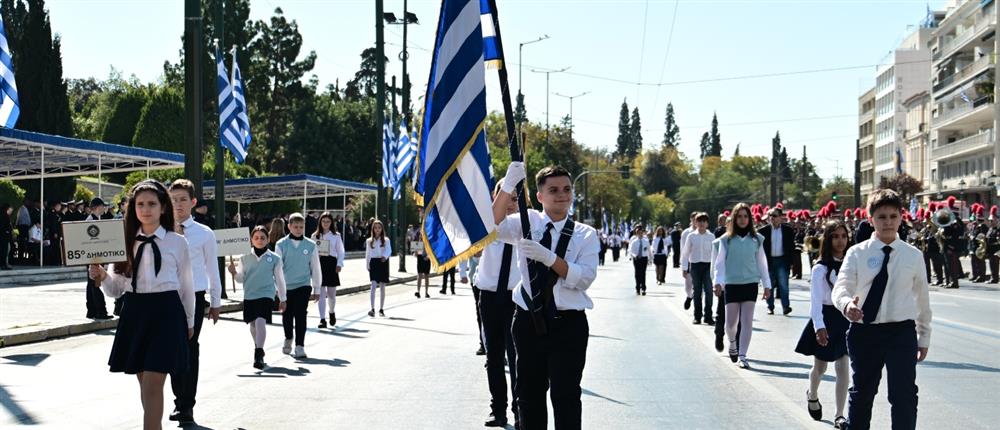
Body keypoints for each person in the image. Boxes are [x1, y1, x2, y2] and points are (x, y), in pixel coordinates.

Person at [492, 163, 599, 430]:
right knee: (529, 395)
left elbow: (584, 278)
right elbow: (489, 225)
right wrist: (507, 186)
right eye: (553, 190)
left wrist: (549, 258)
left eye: (566, 189)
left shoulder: (585, 234)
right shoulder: (527, 221)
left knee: (566, 396)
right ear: (540, 196)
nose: (562, 195)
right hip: (529, 322)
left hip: (568, 324)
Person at [88, 180, 195, 430]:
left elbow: (186, 286)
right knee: (144, 381)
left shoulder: (177, 242)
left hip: (167, 313)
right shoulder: (124, 242)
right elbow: (117, 289)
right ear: (132, 208)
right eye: (140, 204)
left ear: (163, 208)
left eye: (152, 204)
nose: (146, 209)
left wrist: (189, 321)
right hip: (135, 312)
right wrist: (103, 276)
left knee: (153, 382)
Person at [832, 188, 932, 430]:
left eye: (893, 216)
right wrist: (847, 306)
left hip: (901, 333)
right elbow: (840, 288)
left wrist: (924, 336)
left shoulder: (913, 255)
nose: (888, 222)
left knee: (904, 396)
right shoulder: (857, 253)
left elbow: (922, 299)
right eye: (882, 217)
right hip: (865, 331)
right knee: (862, 393)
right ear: (871, 220)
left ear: (901, 217)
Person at [166, 180, 223, 425]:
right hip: (167, 297)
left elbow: (213, 269)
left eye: (182, 199)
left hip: (195, 297)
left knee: (189, 349)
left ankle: (187, 405)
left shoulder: (203, 233)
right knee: (171, 351)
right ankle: (179, 400)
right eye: (173, 199)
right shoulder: (161, 230)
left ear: (193, 203)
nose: (177, 204)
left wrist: (216, 302)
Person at [794, 220, 852, 428]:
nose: (840, 241)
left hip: (845, 318)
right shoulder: (820, 268)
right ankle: (812, 394)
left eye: (843, 236)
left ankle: (839, 415)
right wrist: (819, 326)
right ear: (828, 239)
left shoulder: (851, 263)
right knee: (820, 368)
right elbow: (816, 301)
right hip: (826, 318)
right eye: (835, 236)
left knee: (843, 367)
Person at [477, 179, 521, 428]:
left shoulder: (527, 224)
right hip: (490, 296)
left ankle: (519, 409)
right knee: (494, 357)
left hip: (515, 299)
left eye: (515, 198)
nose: (510, 203)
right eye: (505, 197)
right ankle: (498, 410)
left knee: (517, 357)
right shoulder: (487, 223)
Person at [713, 202, 772, 369]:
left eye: (746, 216)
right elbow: (720, 264)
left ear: (750, 219)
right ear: (734, 218)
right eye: (739, 216)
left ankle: (743, 355)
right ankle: (732, 343)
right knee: (730, 323)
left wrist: (767, 285)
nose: (743, 219)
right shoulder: (726, 240)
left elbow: (762, 264)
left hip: (750, 284)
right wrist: (718, 282)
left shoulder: (757, 239)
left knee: (747, 322)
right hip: (731, 284)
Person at [228, 226, 287, 370]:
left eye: (262, 238)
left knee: (261, 321)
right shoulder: (244, 258)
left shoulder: (275, 258)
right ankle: (258, 346)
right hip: (250, 295)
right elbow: (241, 279)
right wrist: (234, 273)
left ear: (267, 239)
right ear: (251, 240)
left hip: (266, 294)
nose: (259, 240)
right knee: (253, 325)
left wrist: (283, 298)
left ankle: (258, 354)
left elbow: (280, 279)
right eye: (256, 238)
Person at [274, 213, 321, 359]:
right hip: (286, 286)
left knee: (301, 315)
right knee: (287, 315)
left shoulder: (311, 245)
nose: (299, 229)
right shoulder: (281, 244)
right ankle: (288, 337)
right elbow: (277, 268)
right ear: (289, 227)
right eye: (295, 227)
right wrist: (277, 288)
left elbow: (315, 267)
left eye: (301, 227)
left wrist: (317, 288)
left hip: (303, 285)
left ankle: (300, 346)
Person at [759, 207, 795, 315]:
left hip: (782, 261)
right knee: (769, 285)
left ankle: (786, 307)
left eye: (774, 216)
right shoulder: (763, 231)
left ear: (780, 217)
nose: (772, 218)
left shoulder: (788, 230)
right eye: (770, 216)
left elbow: (791, 247)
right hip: (768, 261)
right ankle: (770, 306)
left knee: (783, 285)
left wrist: (791, 262)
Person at [312, 212, 345, 328]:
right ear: (320, 222)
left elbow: (340, 251)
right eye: (323, 221)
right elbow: (312, 252)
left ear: (331, 223)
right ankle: (322, 319)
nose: (325, 223)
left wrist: (339, 264)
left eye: (328, 221)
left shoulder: (336, 236)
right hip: (319, 264)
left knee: (331, 295)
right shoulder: (314, 236)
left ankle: (331, 312)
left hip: (331, 264)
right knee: (321, 294)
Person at [683, 213, 715, 325]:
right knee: (697, 291)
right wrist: (684, 268)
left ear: (707, 223)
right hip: (695, 266)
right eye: (699, 221)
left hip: (708, 266)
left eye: (704, 221)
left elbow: (714, 254)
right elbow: (685, 253)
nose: (701, 223)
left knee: (709, 291)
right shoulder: (691, 236)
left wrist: (715, 269)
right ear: (695, 223)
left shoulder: (711, 237)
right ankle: (697, 316)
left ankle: (708, 316)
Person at [366, 219, 391, 317]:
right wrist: (367, 264)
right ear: (373, 229)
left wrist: (385, 256)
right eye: (375, 228)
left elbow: (389, 250)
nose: (377, 230)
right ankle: (372, 308)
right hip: (374, 263)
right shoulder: (369, 241)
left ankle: (381, 308)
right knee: (373, 285)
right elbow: (367, 254)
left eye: (379, 228)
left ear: (382, 229)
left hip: (382, 262)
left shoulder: (386, 240)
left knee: (382, 286)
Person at [679, 212, 698, 310]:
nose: (696, 221)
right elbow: (683, 251)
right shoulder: (686, 233)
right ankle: (690, 296)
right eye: (694, 219)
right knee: (688, 287)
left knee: (699, 288)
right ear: (691, 220)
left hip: (699, 263)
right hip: (689, 263)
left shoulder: (705, 232)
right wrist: (684, 267)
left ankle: (698, 309)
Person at [628, 224, 651, 295]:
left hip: (644, 258)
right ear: (637, 233)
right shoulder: (634, 242)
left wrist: (650, 259)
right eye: (639, 233)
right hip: (637, 258)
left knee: (643, 273)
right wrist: (634, 255)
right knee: (637, 273)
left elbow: (649, 250)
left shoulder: (646, 241)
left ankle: (643, 288)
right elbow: (631, 251)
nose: (640, 234)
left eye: (641, 233)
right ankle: (637, 287)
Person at [414, 233, 432, 298]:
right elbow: (415, 254)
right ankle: (418, 292)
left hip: (426, 260)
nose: (422, 237)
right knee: (419, 276)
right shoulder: (418, 244)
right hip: (420, 260)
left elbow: (431, 253)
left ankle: (426, 292)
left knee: (426, 276)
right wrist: (415, 253)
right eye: (421, 235)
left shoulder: (429, 244)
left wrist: (428, 257)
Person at [0, 203, 13, 270]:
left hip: (5, 236)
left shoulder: (5, 216)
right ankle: (3, 264)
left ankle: (4, 263)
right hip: (4, 236)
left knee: (6, 250)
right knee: (4, 251)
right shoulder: (4, 216)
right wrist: (7, 231)